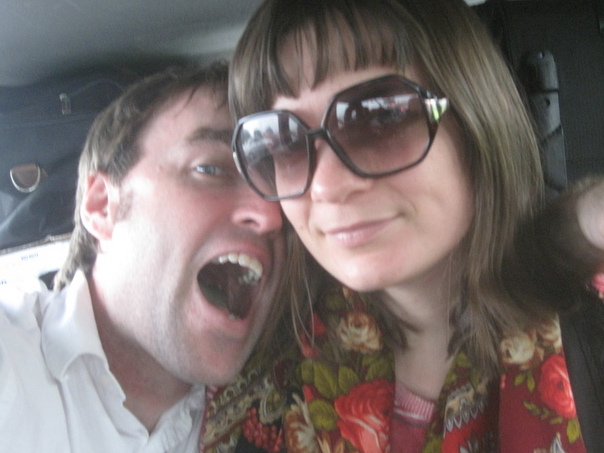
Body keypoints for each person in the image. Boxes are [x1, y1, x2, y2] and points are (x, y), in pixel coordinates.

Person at [223, 0, 604, 451]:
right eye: (281, 142)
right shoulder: (267, 367)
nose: (325, 186)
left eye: (381, 116)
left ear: (477, 118)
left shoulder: (587, 330)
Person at [0, 61, 287, 452]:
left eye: (278, 184)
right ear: (102, 206)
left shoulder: (287, 409)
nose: (272, 215)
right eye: (210, 168)